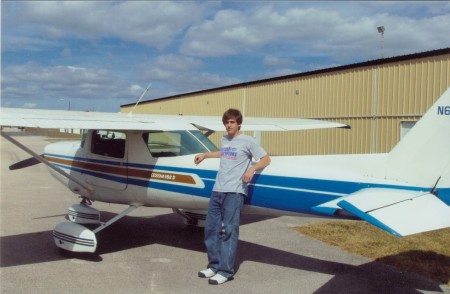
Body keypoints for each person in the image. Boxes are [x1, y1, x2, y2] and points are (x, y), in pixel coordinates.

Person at [194, 108, 271, 285]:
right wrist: (205, 154)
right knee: (210, 229)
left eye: (232, 122)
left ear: (238, 124)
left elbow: (266, 159)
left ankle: (226, 271)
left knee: (229, 230)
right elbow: (224, 153)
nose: (228, 125)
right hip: (218, 189)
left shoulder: (248, 141)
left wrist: (251, 169)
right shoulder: (224, 139)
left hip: (235, 191)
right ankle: (214, 266)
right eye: (226, 122)